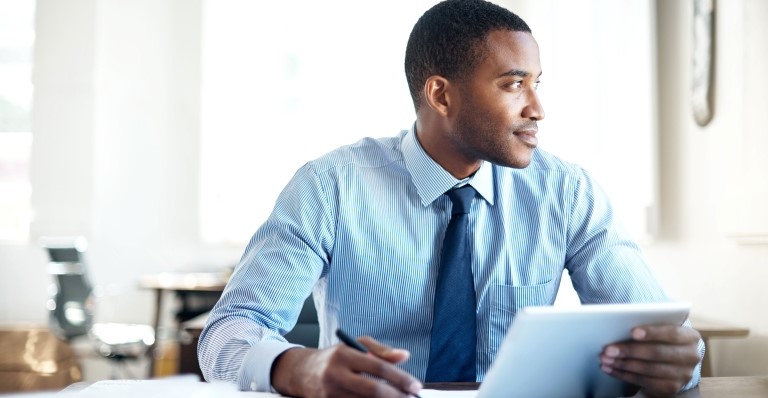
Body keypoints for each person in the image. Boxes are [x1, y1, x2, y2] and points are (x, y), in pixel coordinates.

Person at [198, 1, 705, 397]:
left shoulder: (567, 192)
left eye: (537, 83)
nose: (538, 108)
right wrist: (298, 366)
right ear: (441, 95)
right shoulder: (329, 186)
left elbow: (660, 331)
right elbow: (227, 331)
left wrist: (680, 360)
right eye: (513, 85)